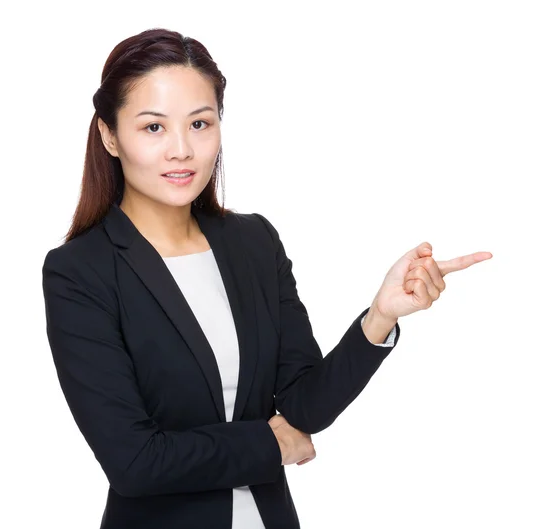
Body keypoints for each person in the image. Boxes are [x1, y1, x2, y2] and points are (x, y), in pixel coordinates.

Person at [41, 28, 492, 529]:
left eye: (200, 123)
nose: (181, 150)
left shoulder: (254, 242)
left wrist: (380, 315)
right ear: (109, 135)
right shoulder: (80, 272)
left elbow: (303, 405)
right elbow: (135, 463)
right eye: (153, 128)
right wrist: (271, 443)